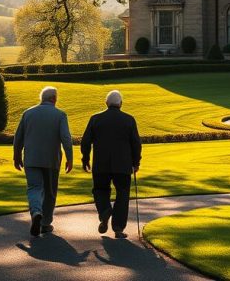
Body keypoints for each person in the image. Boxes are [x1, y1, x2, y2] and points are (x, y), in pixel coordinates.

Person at [81, 90, 142, 239]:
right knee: (122, 193)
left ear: (106, 103)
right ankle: (118, 227)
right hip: (123, 164)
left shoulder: (95, 119)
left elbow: (86, 141)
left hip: (100, 164)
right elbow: (136, 144)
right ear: (121, 104)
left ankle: (104, 211)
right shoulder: (129, 120)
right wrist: (136, 162)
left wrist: (85, 158)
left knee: (100, 190)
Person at [13, 86, 73, 237]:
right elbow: (66, 138)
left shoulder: (28, 113)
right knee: (50, 191)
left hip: (31, 158)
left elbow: (18, 137)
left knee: (34, 188)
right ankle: (45, 223)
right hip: (51, 159)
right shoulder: (60, 115)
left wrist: (16, 155)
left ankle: (36, 212)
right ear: (54, 99)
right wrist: (70, 158)